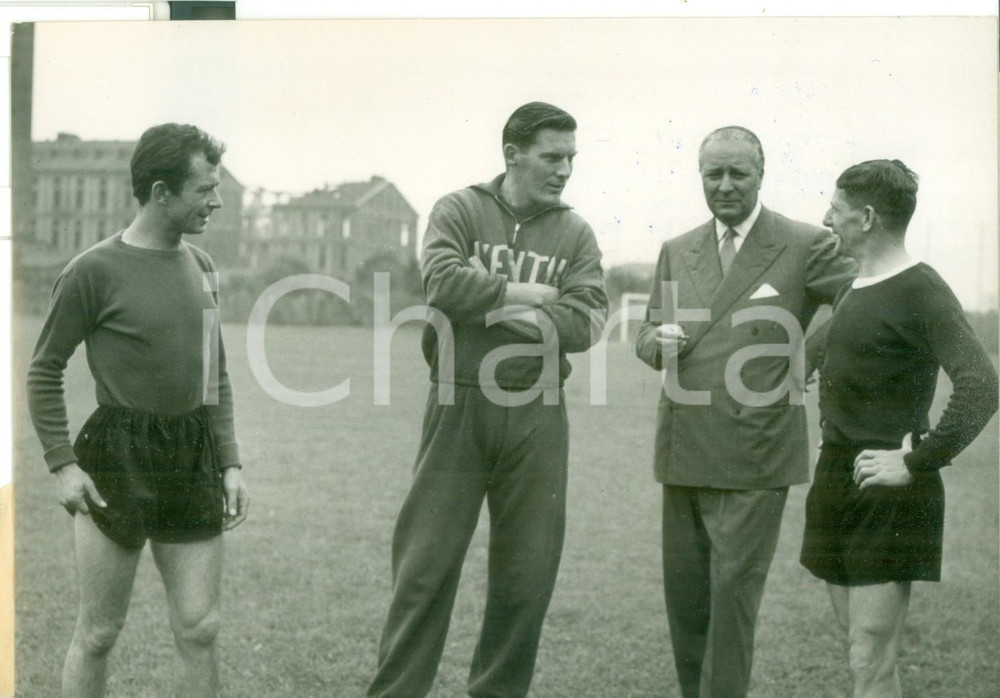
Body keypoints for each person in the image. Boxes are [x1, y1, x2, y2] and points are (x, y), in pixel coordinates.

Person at [367, 102, 607, 698]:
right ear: (512, 154)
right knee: (424, 570)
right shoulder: (460, 208)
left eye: (571, 158)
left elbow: (585, 322)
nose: (564, 170)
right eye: (552, 157)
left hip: (537, 408)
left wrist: (492, 307)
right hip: (460, 400)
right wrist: (525, 295)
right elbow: (444, 282)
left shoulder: (574, 230)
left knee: (525, 579)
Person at [26, 123, 250, 698]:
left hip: (191, 452)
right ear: (160, 192)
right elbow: (43, 369)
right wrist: (62, 464)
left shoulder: (201, 265)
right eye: (205, 189)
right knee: (99, 632)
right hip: (116, 453)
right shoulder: (91, 271)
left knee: (201, 627)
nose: (217, 201)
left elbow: (214, 373)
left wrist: (230, 461)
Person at [635, 126, 856, 698]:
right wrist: (657, 340)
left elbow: (861, 304)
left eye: (739, 173)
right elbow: (643, 336)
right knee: (686, 603)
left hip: (756, 450)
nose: (726, 185)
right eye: (715, 174)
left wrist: (803, 358)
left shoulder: (805, 243)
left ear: (762, 175)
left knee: (731, 603)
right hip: (683, 446)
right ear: (701, 178)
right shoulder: (676, 249)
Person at [799, 160, 998, 698]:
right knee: (859, 652)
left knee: (868, 653)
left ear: (865, 217)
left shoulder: (921, 289)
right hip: (837, 481)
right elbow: (812, 361)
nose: (825, 219)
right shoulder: (851, 288)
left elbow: (982, 385)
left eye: (835, 211)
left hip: (888, 488)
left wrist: (915, 461)